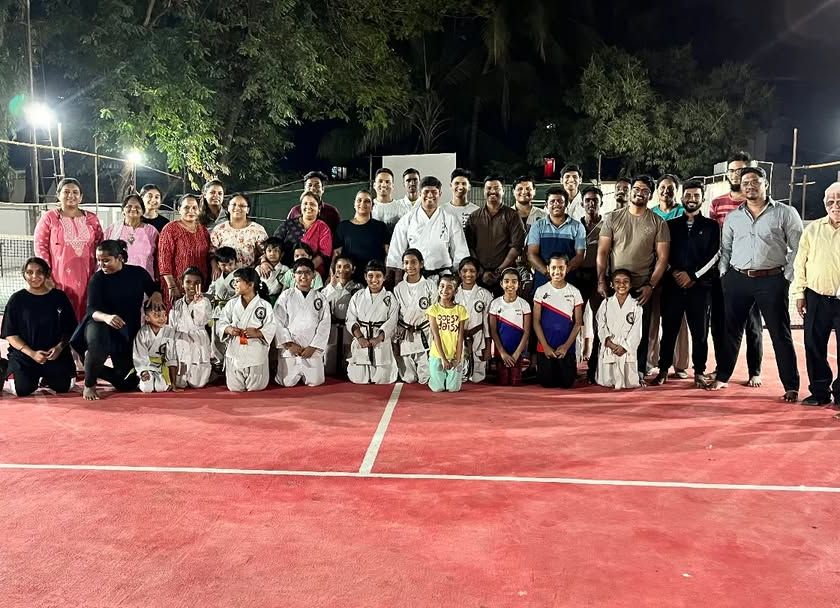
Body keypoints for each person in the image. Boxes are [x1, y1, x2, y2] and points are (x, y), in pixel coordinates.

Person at [710, 166, 803, 402]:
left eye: (755, 181)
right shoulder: (734, 217)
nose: (750, 186)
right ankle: (723, 376)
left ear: (765, 184)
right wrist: (725, 274)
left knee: (780, 334)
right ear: (741, 187)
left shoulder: (785, 212)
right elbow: (726, 248)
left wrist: (786, 276)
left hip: (772, 280)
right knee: (731, 331)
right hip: (737, 279)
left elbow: (798, 248)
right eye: (745, 183)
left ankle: (791, 385)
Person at [596, 175, 670, 378]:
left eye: (645, 190)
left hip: (641, 287)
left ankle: (638, 371)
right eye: (636, 189)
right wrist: (601, 280)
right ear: (631, 191)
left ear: (651, 195)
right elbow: (602, 251)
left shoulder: (658, 223)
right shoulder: (612, 218)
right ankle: (604, 370)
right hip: (615, 285)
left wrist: (651, 286)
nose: (640, 193)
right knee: (609, 327)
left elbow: (662, 258)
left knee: (639, 331)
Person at [71, 240, 164, 401]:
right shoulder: (97, 279)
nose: (101, 265)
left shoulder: (138, 273)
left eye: (106, 260)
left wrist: (156, 294)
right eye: (99, 261)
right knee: (98, 348)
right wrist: (107, 317)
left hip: (125, 329)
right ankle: (89, 383)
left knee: (127, 383)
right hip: (99, 323)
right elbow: (91, 310)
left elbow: (154, 288)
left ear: (120, 258)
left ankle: (91, 365)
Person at [649, 180, 719, 387]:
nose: (692, 199)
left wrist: (693, 276)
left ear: (702, 199)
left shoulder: (712, 226)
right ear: (682, 198)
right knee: (669, 330)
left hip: (700, 288)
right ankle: (663, 369)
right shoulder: (670, 225)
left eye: (696, 195)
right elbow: (662, 254)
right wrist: (675, 272)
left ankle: (699, 372)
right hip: (673, 287)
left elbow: (714, 256)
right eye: (688, 195)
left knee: (700, 333)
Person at [709, 151, 763, 387]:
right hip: (723, 271)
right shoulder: (717, 203)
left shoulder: (756, 202)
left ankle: (755, 371)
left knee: (752, 325)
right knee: (720, 323)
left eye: (740, 170)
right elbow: (714, 239)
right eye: (731, 170)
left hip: (750, 271)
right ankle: (721, 368)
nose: (735, 174)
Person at [792, 182, 840, 408]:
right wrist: (799, 293)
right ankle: (819, 392)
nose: (835, 205)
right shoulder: (812, 230)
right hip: (816, 297)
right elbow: (800, 263)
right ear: (824, 204)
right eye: (831, 201)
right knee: (813, 345)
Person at [1, 258, 77, 396]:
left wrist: (59, 348)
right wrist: (32, 354)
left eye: (39, 272)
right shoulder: (16, 300)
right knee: (21, 390)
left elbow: (70, 329)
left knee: (65, 386)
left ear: (47, 273)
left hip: (54, 355)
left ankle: (46, 377)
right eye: (29, 272)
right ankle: (8, 366)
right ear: (24, 274)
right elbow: (11, 335)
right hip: (25, 356)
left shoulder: (59, 297)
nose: (34, 276)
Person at [33, 177, 104, 320]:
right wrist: (46, 276)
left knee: (86, 313)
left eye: (75, 192)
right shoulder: (50, 218)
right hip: (58, 279)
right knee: (60, 315)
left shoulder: (92, 219)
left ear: (81, 197)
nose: (71, 195)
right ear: (58, 195)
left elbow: (101, 245)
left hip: (88, 277)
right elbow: (41, 248)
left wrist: (100, 274)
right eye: (66, 192)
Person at [387, 176, 470, 282]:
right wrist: (398, 283)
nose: (430, 195)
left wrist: (456, 279)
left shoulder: (450, 220)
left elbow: (460, 253)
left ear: (440, 194)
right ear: (420, 193)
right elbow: (396, 254)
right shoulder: (407, 220)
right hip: (414, 276)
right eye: (426, 192)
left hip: (443, 278)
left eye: (434, 192)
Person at [216, 267, 277, 392]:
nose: (234, 284)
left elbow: (271, 326)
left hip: (255, 352)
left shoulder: (264, 305)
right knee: (235, 388)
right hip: (235, 351)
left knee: (256, 387)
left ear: (250, 284)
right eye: (234, 281)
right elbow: (221, 322)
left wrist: (258, 332)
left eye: (237, 281)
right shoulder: (231, 304)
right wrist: (228, 329)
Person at [273, 258, 331, 387]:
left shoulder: (320, 298)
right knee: (286, 382)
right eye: (299, 272)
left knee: (316, 381)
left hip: (312, 348)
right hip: (291, 348)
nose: (303, 276)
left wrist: (313, 347)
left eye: (307, 272)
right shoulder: (286, 295)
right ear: (293, 275)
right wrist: (289, 345)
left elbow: (325, 324)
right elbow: (278, 321)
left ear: (313, 275)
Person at [465, 175, 526, 292]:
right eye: (489, 188)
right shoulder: (474, 217)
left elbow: (516, 246)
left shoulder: (513, 216)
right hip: (479, 275)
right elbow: (470, 247)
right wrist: (480, 271)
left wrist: (499, 271)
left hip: (505, 276)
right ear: (484, 191)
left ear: (503, 191)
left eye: (496, 188)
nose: (492, 191)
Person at [532, 254, 583, 389]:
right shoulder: (540, 291)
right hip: (545, 347)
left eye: (561, 267)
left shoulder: (575, 292)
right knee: (546, 383)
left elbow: (578, 323)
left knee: (567, 383)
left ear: (567, 269)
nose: (557, 271)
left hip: (566, 348)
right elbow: (536, 322)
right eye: (554, 267)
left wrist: (566, 347)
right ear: (548, 268)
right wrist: (545, 346)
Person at [346, 260, 400, 384]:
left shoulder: (389, 297)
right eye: (370, 276)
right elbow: (350, 319)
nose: (374, 280)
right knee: (359, 379)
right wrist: (360, 338)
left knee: (384, 379)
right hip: (362, 338)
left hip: (380, 340)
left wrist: (378, 338)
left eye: (378, 276)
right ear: (365, 276)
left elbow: (392, 322)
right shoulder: (358, 296)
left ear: (384, 277)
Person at [526, 186, 585, 291]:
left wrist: (562, 273)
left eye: (560, 201)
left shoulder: (577, 227)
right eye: (552, 201)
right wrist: (548, 273)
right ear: (546, 205)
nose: (556, 204)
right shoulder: (537, 226)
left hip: (569, 281)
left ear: (566, 204)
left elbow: (580, 255)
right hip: (542, 281)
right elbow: (531, 254)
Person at [158, 193, 212, 304]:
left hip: (199, 287)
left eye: (194, 208)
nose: (190, 211)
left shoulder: (203, 231)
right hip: (177, 286)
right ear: (179, 209)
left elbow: (209, 255)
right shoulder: (170, 229)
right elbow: (164, 260)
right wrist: (172, 286)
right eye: (186, 207)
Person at [393, 249, 437, 384]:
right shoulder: (398, 288)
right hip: (406, 333)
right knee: (409, 378)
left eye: (413, 262)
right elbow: (395, 313)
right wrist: (397, 331)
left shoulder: (430, 285)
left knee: (426, 378)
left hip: (424, 332)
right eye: (406, 263)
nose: (410, 266)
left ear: (421, 264)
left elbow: (435, 311)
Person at [595, 269, 644, 389]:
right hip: (610, 346)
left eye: (625, 281)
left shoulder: (636, 305)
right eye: (617, 281)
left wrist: (625, 347)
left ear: (631, 285)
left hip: (626, 348)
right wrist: (610, 344)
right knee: (607, 381)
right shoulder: (606, 303)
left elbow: (636, 331)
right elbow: (601, 325)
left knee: (629, 381)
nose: (621, 284)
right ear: (611, 285)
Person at [169, 267, 212, 389]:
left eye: (196, 283)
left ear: (202, 285)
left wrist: (199, 304)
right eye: (188, 282)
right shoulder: (177, 303)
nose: (192, 286)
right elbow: (172, 325)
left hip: (198, 341)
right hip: (181, 342)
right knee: (180, 382)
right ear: (182, 284)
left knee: (198, 383)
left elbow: (201, 321)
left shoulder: (205, 302)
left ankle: (211, 373)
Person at [333, 189, 389, 284]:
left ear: (372, 206)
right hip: (349, 279)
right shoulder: (343, 226)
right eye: (359, 200)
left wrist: (386, 273)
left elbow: (388, 253)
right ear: (354, 204)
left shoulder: (380, 226)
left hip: (374, 278)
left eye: (367, 201)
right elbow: (336, 255)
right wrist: (333, 275)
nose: (362, 203)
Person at [271, 192, 332, 277]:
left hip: (311, 274)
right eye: (305, 203)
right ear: (301, 207)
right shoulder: (288, 224)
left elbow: (324, 254)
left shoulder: (323, 228)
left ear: (319, 208)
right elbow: (273, 244)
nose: (308, 206)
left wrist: (305, 271)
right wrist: (264, 261)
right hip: (285, 272)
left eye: (312, 204)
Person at [489, 268, 532, 386]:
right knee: (502, 382)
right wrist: (502, 353)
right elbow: (493, 331)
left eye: (514, 281)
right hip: (501, 352)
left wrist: (517, 353)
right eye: (506, 281)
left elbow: (526, 331)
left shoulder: (524, 304)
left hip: (517, 352)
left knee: (515, 383)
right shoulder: (495, 304)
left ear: (519, 284)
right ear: (501, 283)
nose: (510, 284)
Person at [322, 255, 363, 378]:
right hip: (333, 328)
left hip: (349, 329)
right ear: (334, 269)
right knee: (329, 369)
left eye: (346, 267)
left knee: (348, 364)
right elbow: (322, 304)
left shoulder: (358, 288)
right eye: (339, 266)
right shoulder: (329, 288)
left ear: (353, 269)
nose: (342, 270)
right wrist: (331, 286)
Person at [427, 275, 468, 393]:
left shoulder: (460, 310)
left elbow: (460, 336)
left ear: (455, 291)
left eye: (449, 287)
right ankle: (433, 376)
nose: (445, 290)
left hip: (454, 354)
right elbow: (436, 336)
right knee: (438, 388)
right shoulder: (433, 309)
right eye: (442, 286)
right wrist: (443, 359)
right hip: (438, 355)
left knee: (453, 389)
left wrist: (458, 358)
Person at [454, 257, 492, 384]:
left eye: (472, 271)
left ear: (478, 273)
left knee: (477, 378)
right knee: (459, 376)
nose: (468, 274)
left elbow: (487, 323)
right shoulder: (453, 293)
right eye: (464, 271)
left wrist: (488, 347)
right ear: (459, 273)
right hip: (457, 337)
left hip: (478, 336)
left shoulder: (484, 294)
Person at [104, 194, 159, 279]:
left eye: (137, 207)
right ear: (123, 210)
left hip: (143, 280)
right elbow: (103, 255)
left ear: (143, 211)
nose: (133, 209)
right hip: (116, 279)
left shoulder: (151, 232)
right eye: (129, 206)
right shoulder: (112, 230)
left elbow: (159, 257)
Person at [211, 193, 269, 269]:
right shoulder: (219, 229)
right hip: (224, 274)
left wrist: (264, 262)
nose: (237, 208)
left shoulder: (257, 229)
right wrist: (215, 267)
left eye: (242, 206)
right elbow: (212, 254)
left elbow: (266, 252)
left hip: (249, 274)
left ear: (248, 210)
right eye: (234, 205)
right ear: (228, 208)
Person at [133, 303, 178, 393]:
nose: (162, 319)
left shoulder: (169, 330)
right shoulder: (143, 333)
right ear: (147, 318)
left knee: (161, 388)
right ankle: (143, 380)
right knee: (147, 388)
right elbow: (139, 356)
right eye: (157, 315)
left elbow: (171, 357)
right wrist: (143, 371)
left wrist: (173, 382)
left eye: (164, 315)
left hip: (161, 367)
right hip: (147, 366)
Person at [208, 247, 239, 366]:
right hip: (217, 310)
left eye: (230, 264)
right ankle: (218, 361)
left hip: (232, 311)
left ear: (235, 262)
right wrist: (205, 296)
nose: (227, 268)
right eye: (223, 265)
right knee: (216, 336)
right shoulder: (217, 276)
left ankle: (230, 361)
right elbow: (211, 291)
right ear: (218, 264)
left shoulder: (239, 276)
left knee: (230, 335)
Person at [286, 171, 342, 235]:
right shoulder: (295, 211)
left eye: (317, 185)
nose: (313, 188)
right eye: (309, 185)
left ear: (323, 189)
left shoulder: (332, 212)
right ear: (304, 189)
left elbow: (338, 236)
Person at [259, 237, 290, 303]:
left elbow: (285, 289)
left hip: (278, 300)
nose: (272, 253)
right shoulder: (259, 268)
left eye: (276, 251)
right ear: (265, 253)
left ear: (282, 254)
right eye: (269, 251)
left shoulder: (285, 270)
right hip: (260, 299)